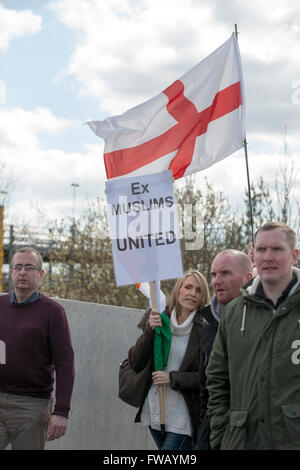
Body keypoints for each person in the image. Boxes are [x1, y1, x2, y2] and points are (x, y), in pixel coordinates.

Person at [206, 222, 300, 450]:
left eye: (277, 249)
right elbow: (217, 379)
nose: (268, 257)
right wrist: (221, 438)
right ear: (253, 255)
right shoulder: (234, 312)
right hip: (241, 442)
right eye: (261, 250)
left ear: (294, 255)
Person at [0, 247, 75, 450]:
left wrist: (61, 411)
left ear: (40, 273)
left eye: (29, 267)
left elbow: (65, 365)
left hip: (31, 406)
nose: (22, 272)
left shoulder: (53, 312)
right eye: (17, 267)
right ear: (11, 271)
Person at [128, 271, 210, 450]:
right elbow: (136, 361)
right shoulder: (159, 316)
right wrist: (150, 329)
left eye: (198, 290)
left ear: (203, 296)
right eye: (188, 287)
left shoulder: (205, 329)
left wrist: (173, 378)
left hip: (185, 415)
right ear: (178, 290)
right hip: (156, 411)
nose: (192, 293)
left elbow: (208, 377)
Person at [197, 249, 253, 449]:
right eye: (213, 274)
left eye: (225, 273)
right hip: (210, 434)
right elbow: (206, 389)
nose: (216, 281)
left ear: (248, 277)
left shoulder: (262, 323)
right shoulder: (208, 327)